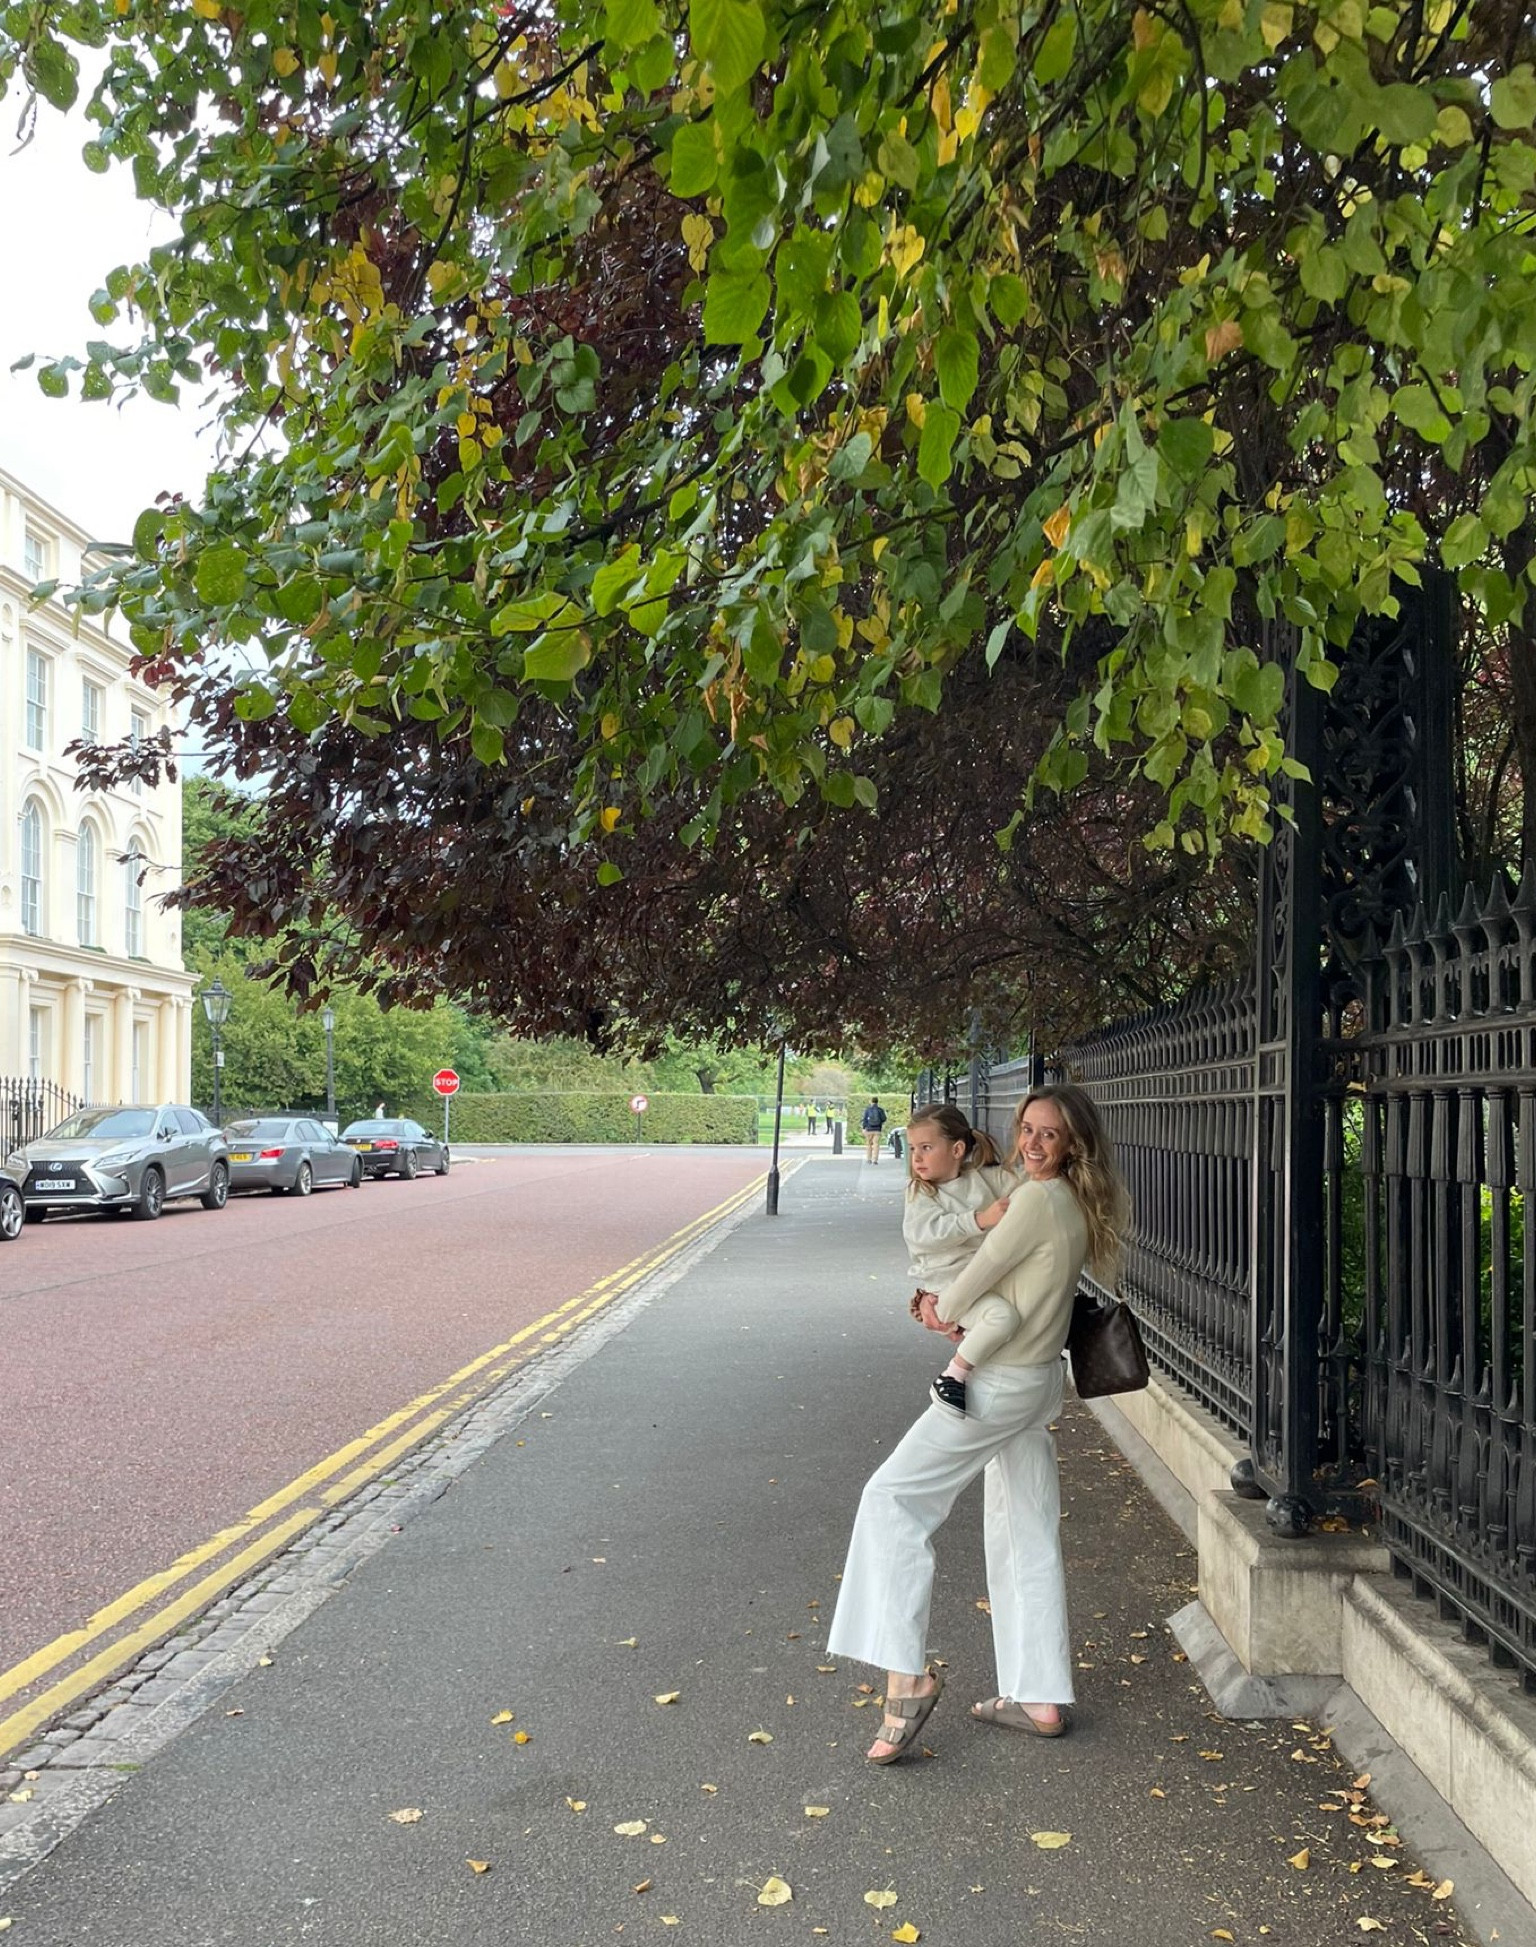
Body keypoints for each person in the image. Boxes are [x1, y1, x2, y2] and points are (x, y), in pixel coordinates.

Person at [826, 1083, 1131, 1764]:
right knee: (1025, 1527)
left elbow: (981, 1271)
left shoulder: (1035, 1200)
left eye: (1049, 1134)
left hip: (995, 1385)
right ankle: (1040, 1695)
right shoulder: (1074, 1202)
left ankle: (907, 1678)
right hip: (1035, 1382)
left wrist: (939, 1307)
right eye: (1027, 1129)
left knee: (892, 1499)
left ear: (1074, 1141)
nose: (1032, 1143)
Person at [903, 1102, 1018, 1420]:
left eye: (926, 1147)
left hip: (979, 1278)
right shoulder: (922, 1192)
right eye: (913, 1148)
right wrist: (980, 1220)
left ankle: (972, 1373)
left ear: (956, 1149)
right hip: (947, 1283)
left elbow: (1026, 1187)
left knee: (1000, 1326)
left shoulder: (982, 1179)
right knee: (1001, 1318)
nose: (917, 1157)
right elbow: (926, 1234)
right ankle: (953, 1376)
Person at [861, 1096, 888, 1163]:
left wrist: (864, 1128)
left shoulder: (868, 1110)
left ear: (871, 1101)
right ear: (877, 1102)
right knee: (876, 1144)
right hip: (877, 1130)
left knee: (869, 1144)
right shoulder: (880, 1110)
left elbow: (864, 1119)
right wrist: (880, 1123)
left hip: (869, 1129)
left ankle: (869, 1159)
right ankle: (875, 1160)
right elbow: (884, 1118)